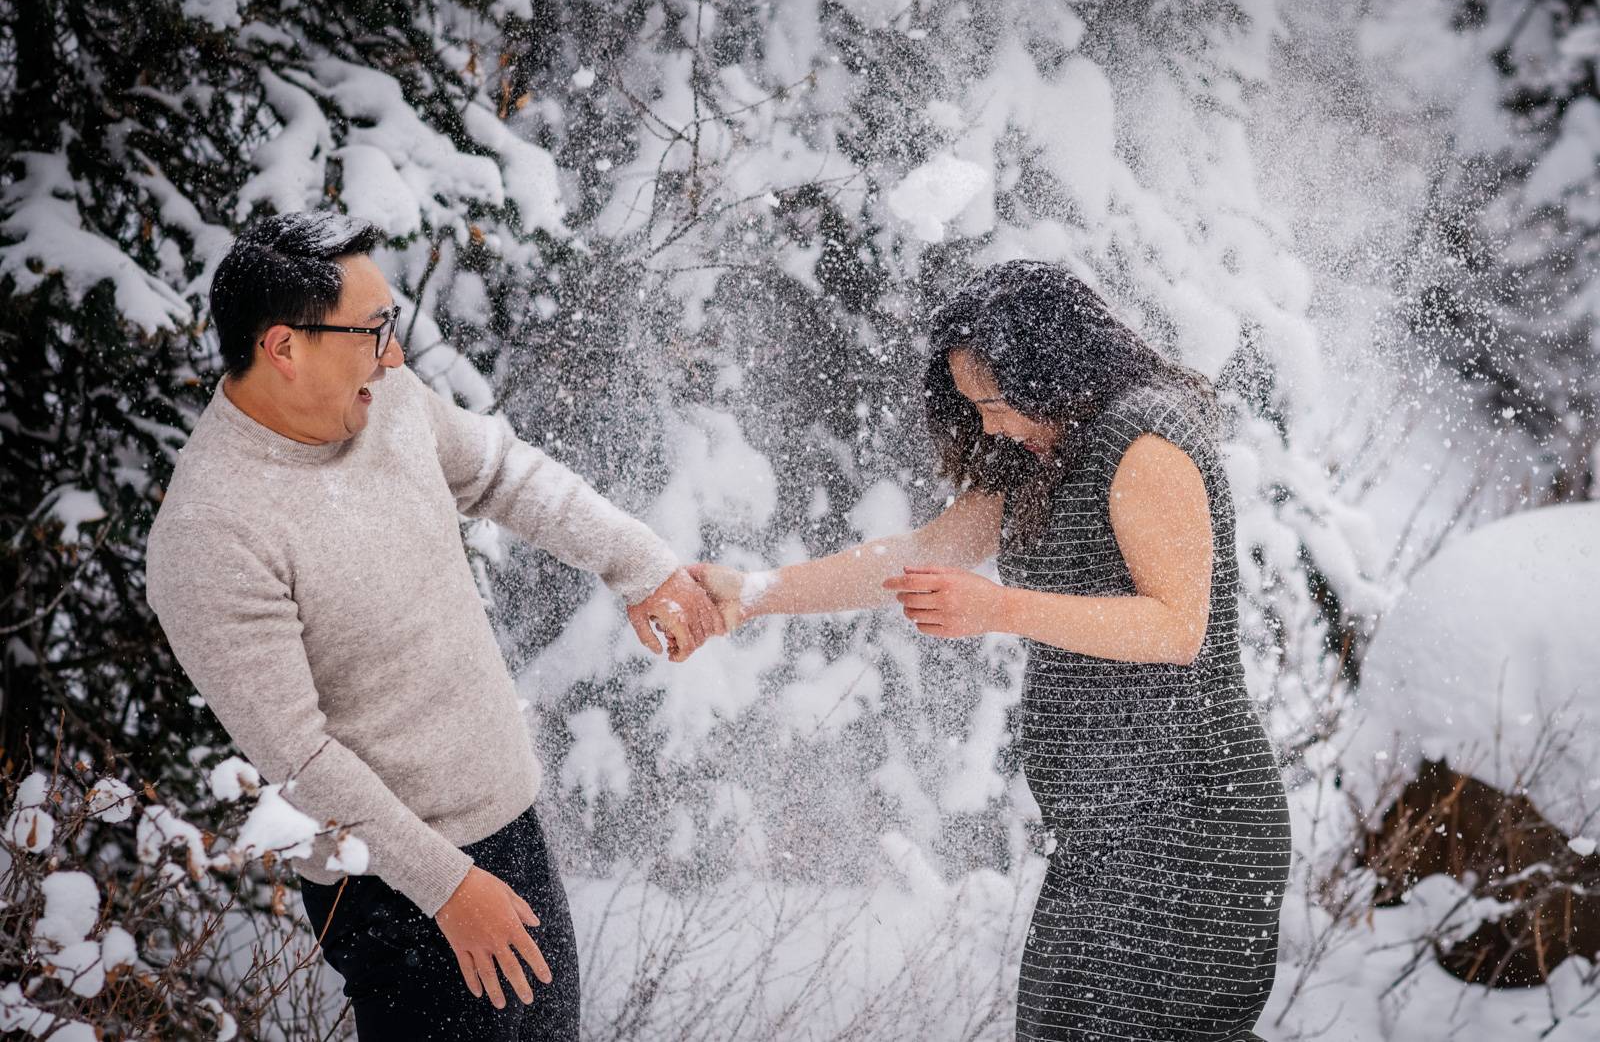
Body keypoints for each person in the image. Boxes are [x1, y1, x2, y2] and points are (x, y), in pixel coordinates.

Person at [144, 212, 721, 1040]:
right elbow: (300, 758)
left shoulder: (383, 402)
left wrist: (640, 563)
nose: (396, 354)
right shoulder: (213, 533)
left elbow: (500, 473)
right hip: (393, 883)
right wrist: (448, 885)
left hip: (507, 825)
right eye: (374, 329)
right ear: (283, 347)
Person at [692, 261, 1291, 1040]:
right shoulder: (1043, 456)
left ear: (1056, 372)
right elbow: (919, 552)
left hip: (1191, 826)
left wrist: (1001, 608)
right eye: (975, 407)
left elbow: (1177, 628)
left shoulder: (1146, 442)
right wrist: (757, 592)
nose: (990, 427)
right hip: (1105, 830)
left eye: (999, 403)